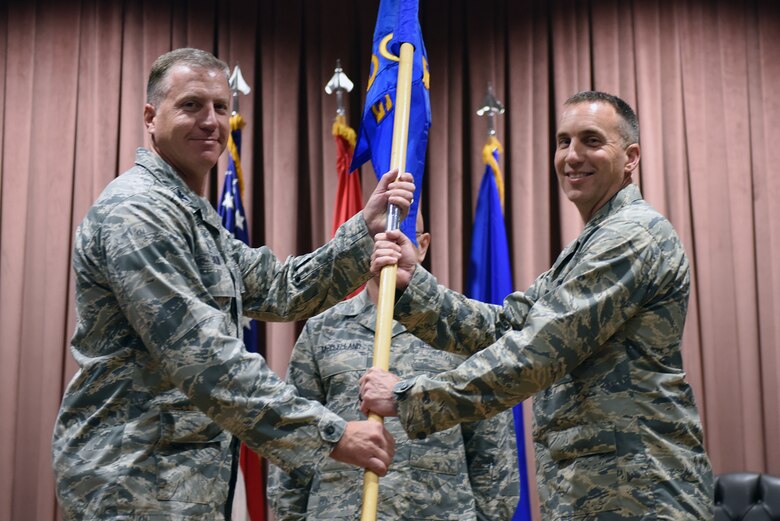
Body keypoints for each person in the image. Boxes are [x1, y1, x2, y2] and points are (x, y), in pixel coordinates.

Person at [51, 47, 414, 520]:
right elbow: (202, 356)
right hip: (132, 481)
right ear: (150, 116)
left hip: (179, 481)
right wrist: (331, 434)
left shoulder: (192, 218)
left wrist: (362, 230)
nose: (210, 121)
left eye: (221, 108)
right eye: (191, 105)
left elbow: (283, 288)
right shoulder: (137, 212)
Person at [361, 91, 714, 519]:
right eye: (563, 141)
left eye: (591, 140)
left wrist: (409, 397)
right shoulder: (593, 241)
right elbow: (506, 326)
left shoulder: (632, 236)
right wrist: (414, 285)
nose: (572, 155)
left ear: (631, 157)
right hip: (595, 493)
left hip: (641, 494)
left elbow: (535, 352)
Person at [266, 212, 520, 521]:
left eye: (400, 229)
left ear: (422, 245)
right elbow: (293, 444)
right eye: (378, 231)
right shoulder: (322, 330)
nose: (387, 240)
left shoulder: (460, 329)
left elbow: (493, 455)